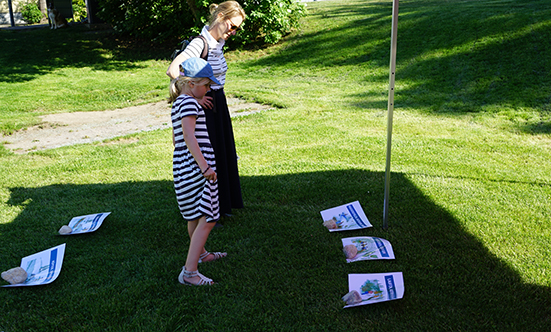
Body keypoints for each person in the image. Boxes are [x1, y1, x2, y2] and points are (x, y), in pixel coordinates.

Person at [167, 1, 245, 217]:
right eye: (232, 26)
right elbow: (173, 69)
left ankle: (223, 206)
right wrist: (194, 95)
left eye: (237, 29)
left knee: (221, 153)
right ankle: (207, 211)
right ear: (220, 16)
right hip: (207, 106)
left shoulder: (217, 43)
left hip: (218, 104)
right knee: (209, 155)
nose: (234, 32)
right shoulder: (200, 43)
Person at [169, 57, 228, 286]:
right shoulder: (191, 104)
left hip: (183, 168)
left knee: (194, 215)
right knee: (209, 218)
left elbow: (176, 139)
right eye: (206, 84)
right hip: (197, 169)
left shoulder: (180, 103)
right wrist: (205, 167)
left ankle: (202, 255)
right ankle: (190, 272)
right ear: (191, 83)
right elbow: (189, 136)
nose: (210, 88)